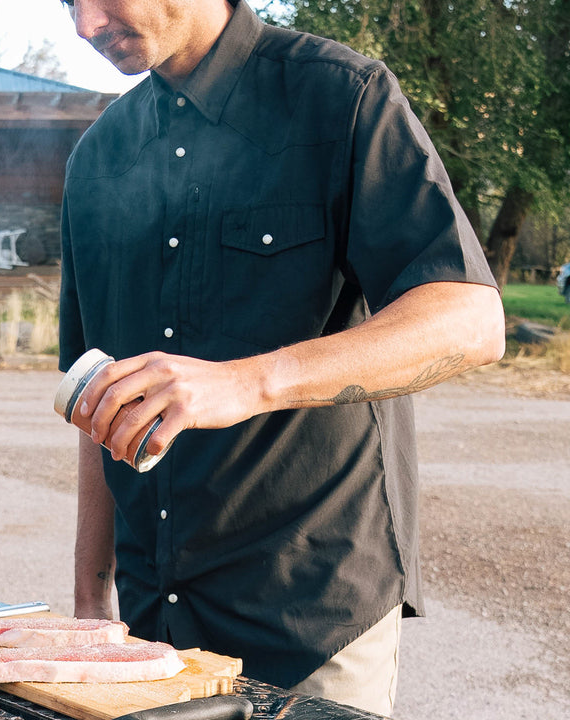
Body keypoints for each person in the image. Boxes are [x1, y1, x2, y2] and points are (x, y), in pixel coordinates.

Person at [57, 0, 506, 715]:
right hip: (149, 627)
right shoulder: (97, 159)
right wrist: (89, 602)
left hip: (310, 619)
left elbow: (469, 321)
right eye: (66, 0)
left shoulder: (341, 96)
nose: (84, 24)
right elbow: (96, 401)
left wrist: (246, 382)